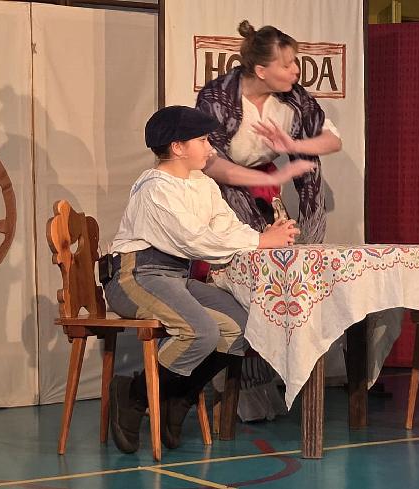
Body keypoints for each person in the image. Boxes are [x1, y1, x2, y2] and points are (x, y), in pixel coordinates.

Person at [102, 105, 300, 454]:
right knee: (199, 331)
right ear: (178, 147)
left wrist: (264, 235)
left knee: (242, 327)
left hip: (175, 277)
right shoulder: (155, 188)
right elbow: (193, 240)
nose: (210, 148)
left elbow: (225, 227)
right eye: (203, 140)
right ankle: (133, 395)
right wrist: (259, 241)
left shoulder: (203, 185)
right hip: (136, 275)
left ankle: (179, 398)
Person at [195, 20, 342, 421]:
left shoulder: (293, 97)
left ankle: (264, 385)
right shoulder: (217, 98)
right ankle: (230, 388)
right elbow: (212, 164)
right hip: (223, 193)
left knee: (276, 282)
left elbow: (332, 140)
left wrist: (293, 145)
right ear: (261, 70)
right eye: (288, 64)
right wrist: (268, 178)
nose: (296, 71)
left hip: (263, 189)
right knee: (242, 285)